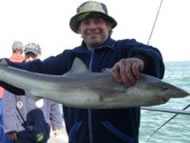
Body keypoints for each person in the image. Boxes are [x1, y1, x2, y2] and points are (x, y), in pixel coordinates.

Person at [0, 1, 165, 143]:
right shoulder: (69, 59)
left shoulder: (124, 49)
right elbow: (30, 72)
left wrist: (139, 60)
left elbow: (153, 56)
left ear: (108, 26)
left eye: (98, 21)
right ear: (79, 29)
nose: (92, 26)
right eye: (86, 23)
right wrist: (4, 66)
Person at [2, 43, 63, 143]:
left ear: (39, 56)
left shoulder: (46, 76)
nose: (30, 59)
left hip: (42, 128)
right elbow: (8, 104)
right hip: (22, 130)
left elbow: (53, 102)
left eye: (33, 56)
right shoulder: (17, 75)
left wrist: (57, 124)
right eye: (28, 55)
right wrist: (10, 128)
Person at [0, 41, 25, 143]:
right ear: (22, 51)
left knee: (4, 131)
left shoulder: (6, 62)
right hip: (21, 101)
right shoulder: (26, 64)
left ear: (12, 50)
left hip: (2, 100)